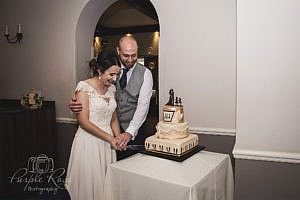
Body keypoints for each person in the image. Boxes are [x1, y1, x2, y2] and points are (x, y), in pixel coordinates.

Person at [69, 35, 153, 160]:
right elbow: (92, 90)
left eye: (134, 55)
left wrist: (129, 132)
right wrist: (75, 99)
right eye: (126, 55)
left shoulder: (145, 74)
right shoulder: (108, 69)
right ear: (118, 51)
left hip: (134, 131)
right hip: (107, 132)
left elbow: (143, 106)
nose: (130, 59)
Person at [65, 51, 122, 200]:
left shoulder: (112, 89)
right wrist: (110, 138)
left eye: (117, 74)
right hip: (89, 142)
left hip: (107, 144)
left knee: (105, 185)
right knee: (90, 184)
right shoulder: (84, 87)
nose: (114, 79)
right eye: (111, 74)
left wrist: (118, 137)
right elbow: (83, 122)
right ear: (99, 70)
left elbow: (113, 116)